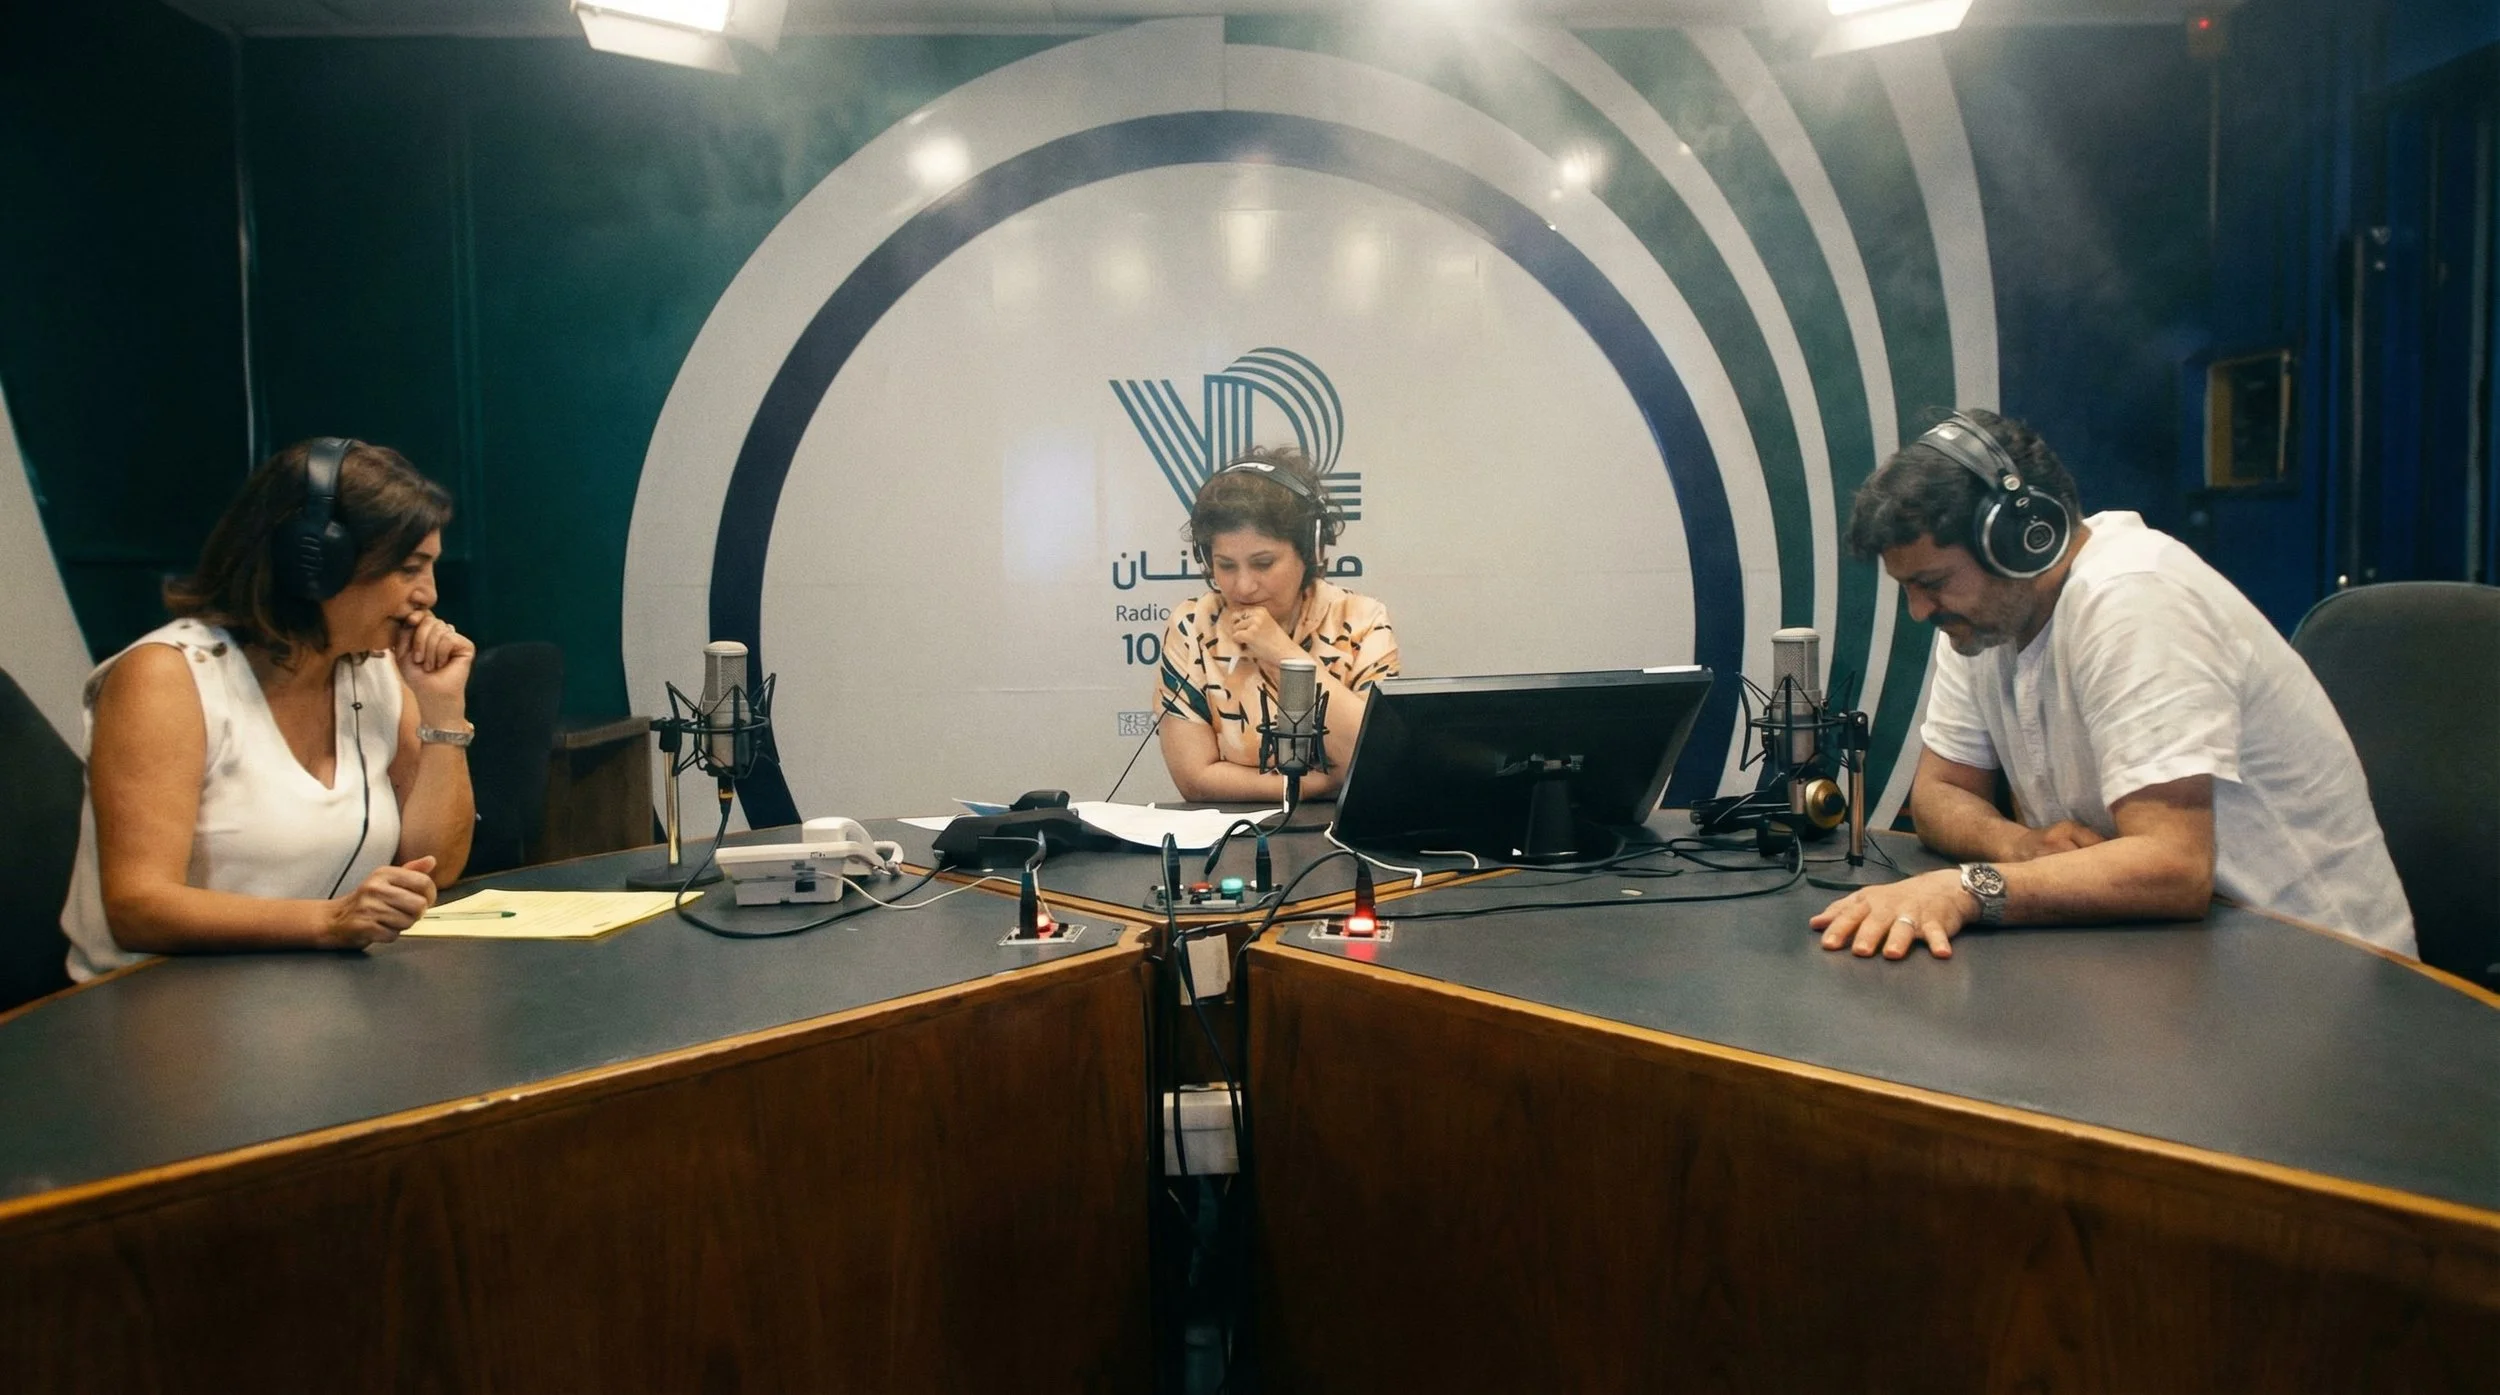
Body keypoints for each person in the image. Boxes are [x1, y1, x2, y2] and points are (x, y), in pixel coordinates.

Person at [1810, 408, 2414, 963]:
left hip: (2320, 972)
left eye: (1934, 581)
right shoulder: (1982, 622)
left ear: (2024, 540)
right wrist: (2019, 847)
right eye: (1909, 587)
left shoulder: (2134, 598)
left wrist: (1970, 888)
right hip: (2178, 957)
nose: (1919, 611)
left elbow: (2174, 865)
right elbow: (1940, 795)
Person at [59, 438, 477, 982]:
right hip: (153, 1009)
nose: (429, 595)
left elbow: (436, 865)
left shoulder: (371, 670)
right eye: (408, 568)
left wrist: (442, 711)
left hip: (299, 997)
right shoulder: (168, 678)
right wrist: (327, 923)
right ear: (313, 562)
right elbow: (138, 907)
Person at [1156, 447, 1399, 803]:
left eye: (1264, 563)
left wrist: (1284, 656)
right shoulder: (1194, 626)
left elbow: (1377, 760)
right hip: (1234, 840)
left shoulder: (1361, 620)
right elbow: (1194, 779)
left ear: (1310, 553)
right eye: (1225, 565)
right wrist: (1323, 784)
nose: (1243, 586)